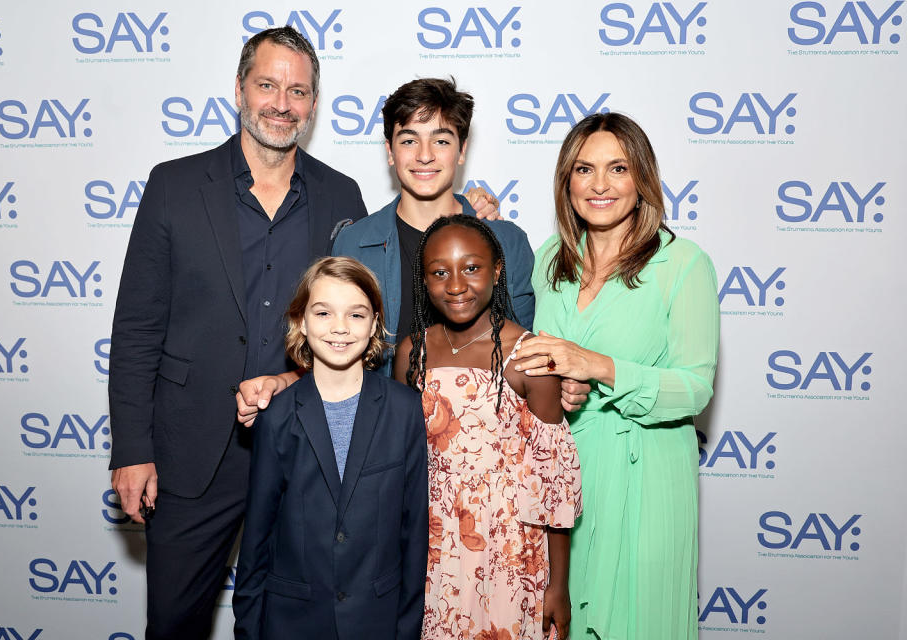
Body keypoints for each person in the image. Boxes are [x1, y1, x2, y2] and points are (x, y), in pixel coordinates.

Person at [108, 26, 371, 640]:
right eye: (268, 85)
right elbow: (137, 327)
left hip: (305, 451)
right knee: (174, 623)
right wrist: (132, 449)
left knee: (292, 625)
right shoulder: (173, 185)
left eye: (298, 90)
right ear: (239, 90)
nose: (282, 103)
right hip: (190, 451)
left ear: (313, 103)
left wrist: (466, 213)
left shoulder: (341, 196)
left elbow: (367, 316)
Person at [512, 113, 720, 639]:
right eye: (584, 169)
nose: (599, 185)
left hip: (646, 474)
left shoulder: (684, 264)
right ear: (567, 182)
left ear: (641, 180)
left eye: (617, 168)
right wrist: (564, 387)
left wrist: (598, 367)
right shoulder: (549, 261)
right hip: (566, 476)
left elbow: (695, 386)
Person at [393, 215, 582, 640]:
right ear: (424, 280)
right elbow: (397, 459)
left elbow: (554, 482)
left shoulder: (531, 357)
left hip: (510, 547)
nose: (456, 284)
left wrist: (558, 584)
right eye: (439, 272)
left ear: (498, 271)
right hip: (432, 542)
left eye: (472, 268)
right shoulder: (411, 352)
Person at [233, 256, 428, 640]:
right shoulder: (276, 418)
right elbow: (257, 540)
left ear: (374, 323)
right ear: (301, 322)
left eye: (356, 315)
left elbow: (414, 531)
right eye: (323, 313)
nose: (339, 328)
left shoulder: (405, 409)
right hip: (292, 622)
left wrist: (407, 629)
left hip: (377, 619)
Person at [332, 78, 535, 378]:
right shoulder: (353, 244)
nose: (424, 155)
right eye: (409, 140)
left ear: (462, 150)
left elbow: (523, 356)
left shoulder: (506, 241)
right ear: (390, 151)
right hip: (381, 422)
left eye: (441, 141)